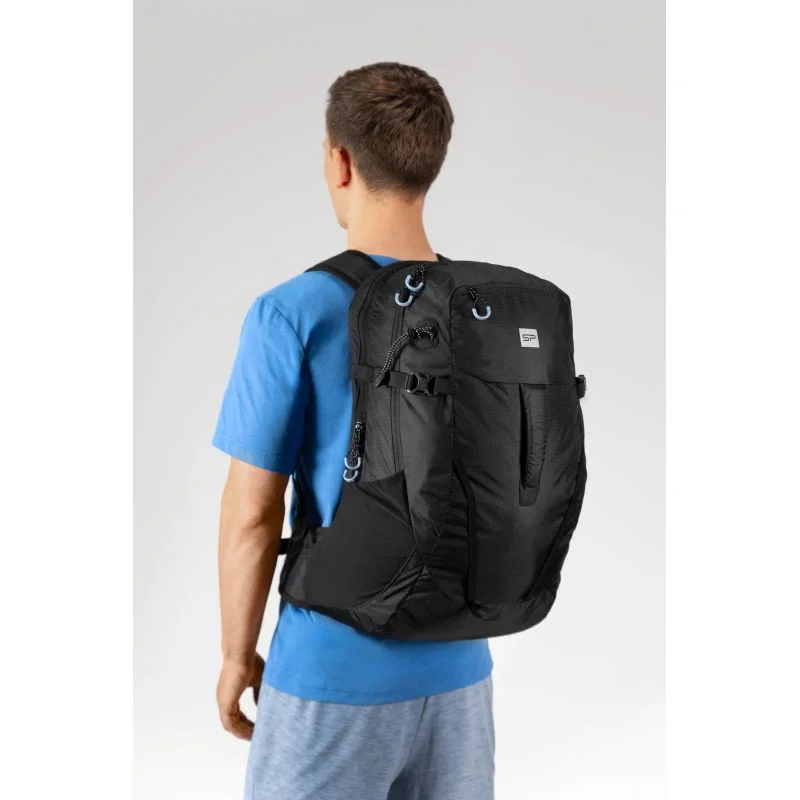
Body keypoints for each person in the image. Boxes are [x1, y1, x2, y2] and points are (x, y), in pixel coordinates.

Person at [213, 62, 494, 800]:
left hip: (333, 673)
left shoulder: (292, 311)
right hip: (461, 671)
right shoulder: (482, 308)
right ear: (431, 163)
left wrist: (237, 656)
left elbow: (251, 514)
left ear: (339, 162)